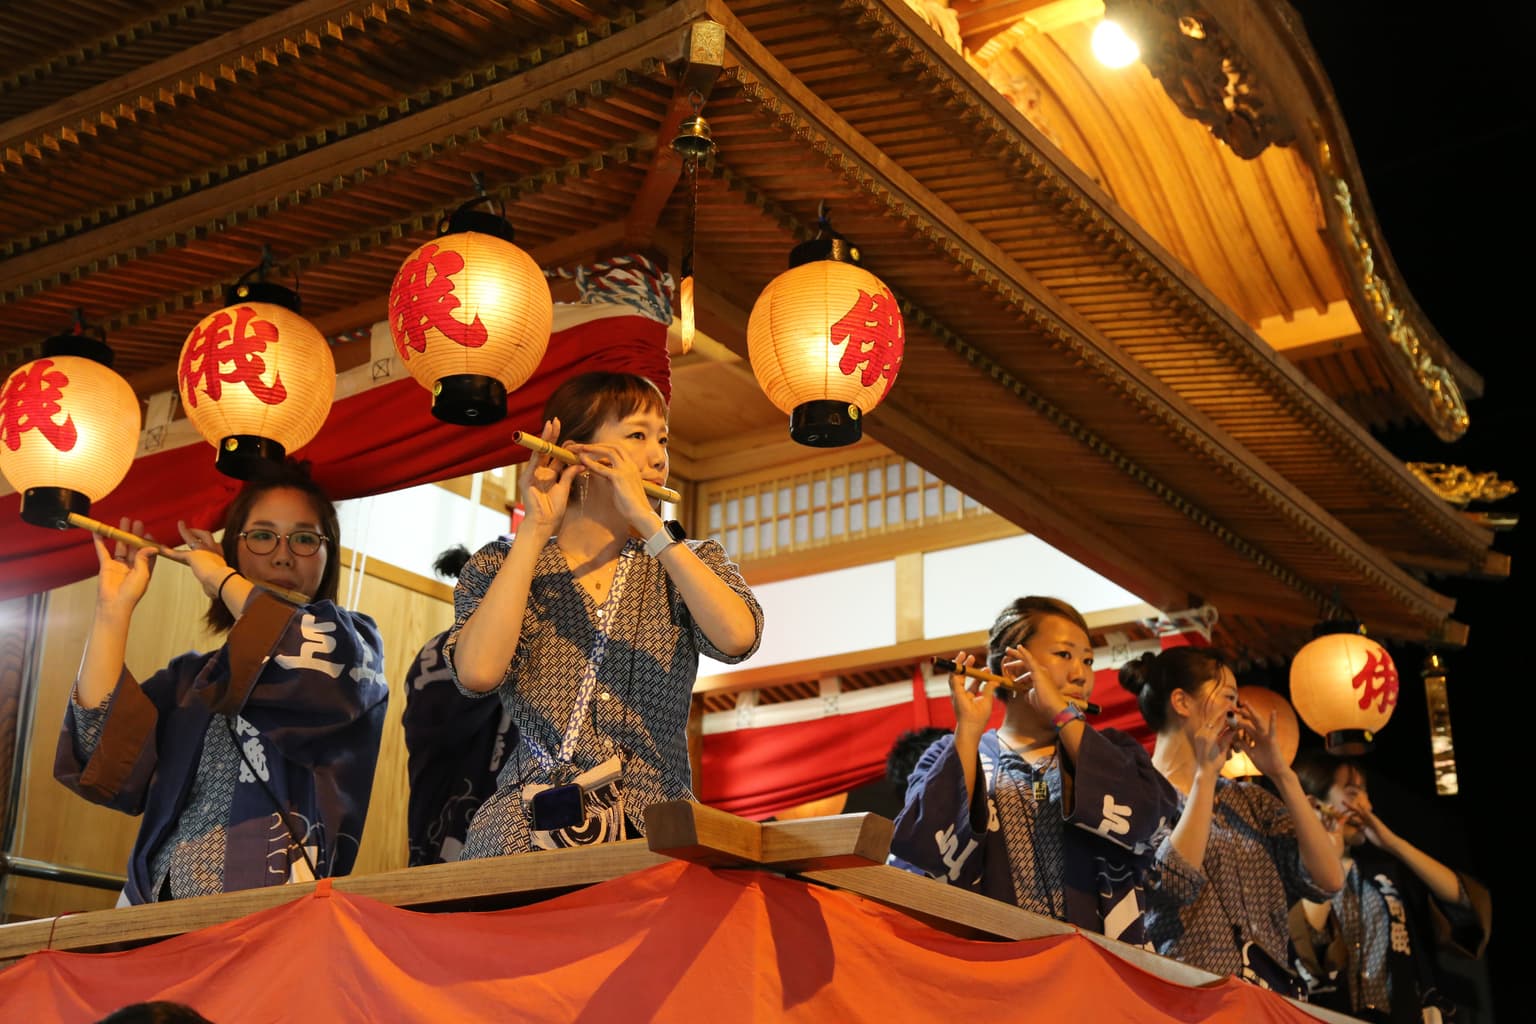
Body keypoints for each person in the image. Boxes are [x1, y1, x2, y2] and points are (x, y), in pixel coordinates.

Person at [445, 371, 762, 855]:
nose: (658, 456)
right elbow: (478, 672)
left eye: (662, 439)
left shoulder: (688, 560)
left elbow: (737, 637)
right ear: (583, 455)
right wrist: (534, 530)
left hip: (656, 817)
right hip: (528, 822)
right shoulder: (500, 564)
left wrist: (651, 526)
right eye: (637, 435)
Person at [55, 461, 388, 904]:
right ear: (233, 548)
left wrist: (218, 577)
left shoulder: (350, 646)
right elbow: (103, 755)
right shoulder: (190, 678)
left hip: (274, 910)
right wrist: (112, 611)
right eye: (262, 535)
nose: (283, 553)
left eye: (305, 538)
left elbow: (300, 654)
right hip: (151, 907)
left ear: (328, 556)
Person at [889, 597, 1181, 945]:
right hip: (997, 966)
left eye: (1088, 660)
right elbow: (920, 850)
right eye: (1065, 655)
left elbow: (1151, 820)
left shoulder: (1115, 751)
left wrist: (1062, 715)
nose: (1081, 673)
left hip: (1096, 967)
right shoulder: (950, 752)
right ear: (1013, 665)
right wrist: (967, 730)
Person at [1123, 648, 1343, 993]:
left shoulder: (1248, 800)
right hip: (1189, 1001)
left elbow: (1329, 878)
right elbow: (1173, 883)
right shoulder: (1134, 791)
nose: (1238, 712)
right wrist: (1205, 776)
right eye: (1229, 697)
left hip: (1268, 1000)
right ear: (1181, 702)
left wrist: (1282, 775)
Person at [1291, 750, 1491, 1022]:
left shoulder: (1383, 874)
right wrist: (1328, 852)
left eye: (1366, 794)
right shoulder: (1291, 873)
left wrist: (1394, 844)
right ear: (1315, 804)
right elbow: (1310, 949)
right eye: (1352, 793)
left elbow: (1465, 902)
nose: (1366, 806)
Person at [402, 544, 515, 865]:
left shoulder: (439, 649)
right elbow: (437, 727)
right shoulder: (449, 653)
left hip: (457, 812)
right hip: (456, 804)